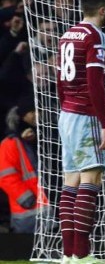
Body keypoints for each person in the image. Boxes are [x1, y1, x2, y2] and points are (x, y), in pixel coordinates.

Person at [55, 0, 105, 263]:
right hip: (86, 115)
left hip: (66, 114)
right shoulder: (96, 36)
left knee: (70, 182)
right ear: (102, 10)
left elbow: (58, 79)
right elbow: (95, 83)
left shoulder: (67, 34)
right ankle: (82, 255)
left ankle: (68, 254)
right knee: (90, 180)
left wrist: (64, 109)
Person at [0, 97, 49, 233]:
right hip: (28, 213)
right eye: (32, 111)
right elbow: (5, 176)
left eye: (38, 111)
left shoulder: (44, 137)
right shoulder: (10, 143)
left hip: (46, 210)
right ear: (22, 116)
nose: (37, 115)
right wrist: (26, 198)